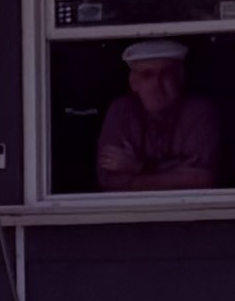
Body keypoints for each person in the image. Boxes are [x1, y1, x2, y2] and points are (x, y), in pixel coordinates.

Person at [94, 34, 227, 191]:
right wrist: (175, 173)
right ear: (133, 82)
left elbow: (203, 179)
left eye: (165, 74)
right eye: (147, 75)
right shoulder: (121, 111)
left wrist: (138, 168)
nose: (156, 84)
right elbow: (110, 181)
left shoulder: (200, 111)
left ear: (180, 77)